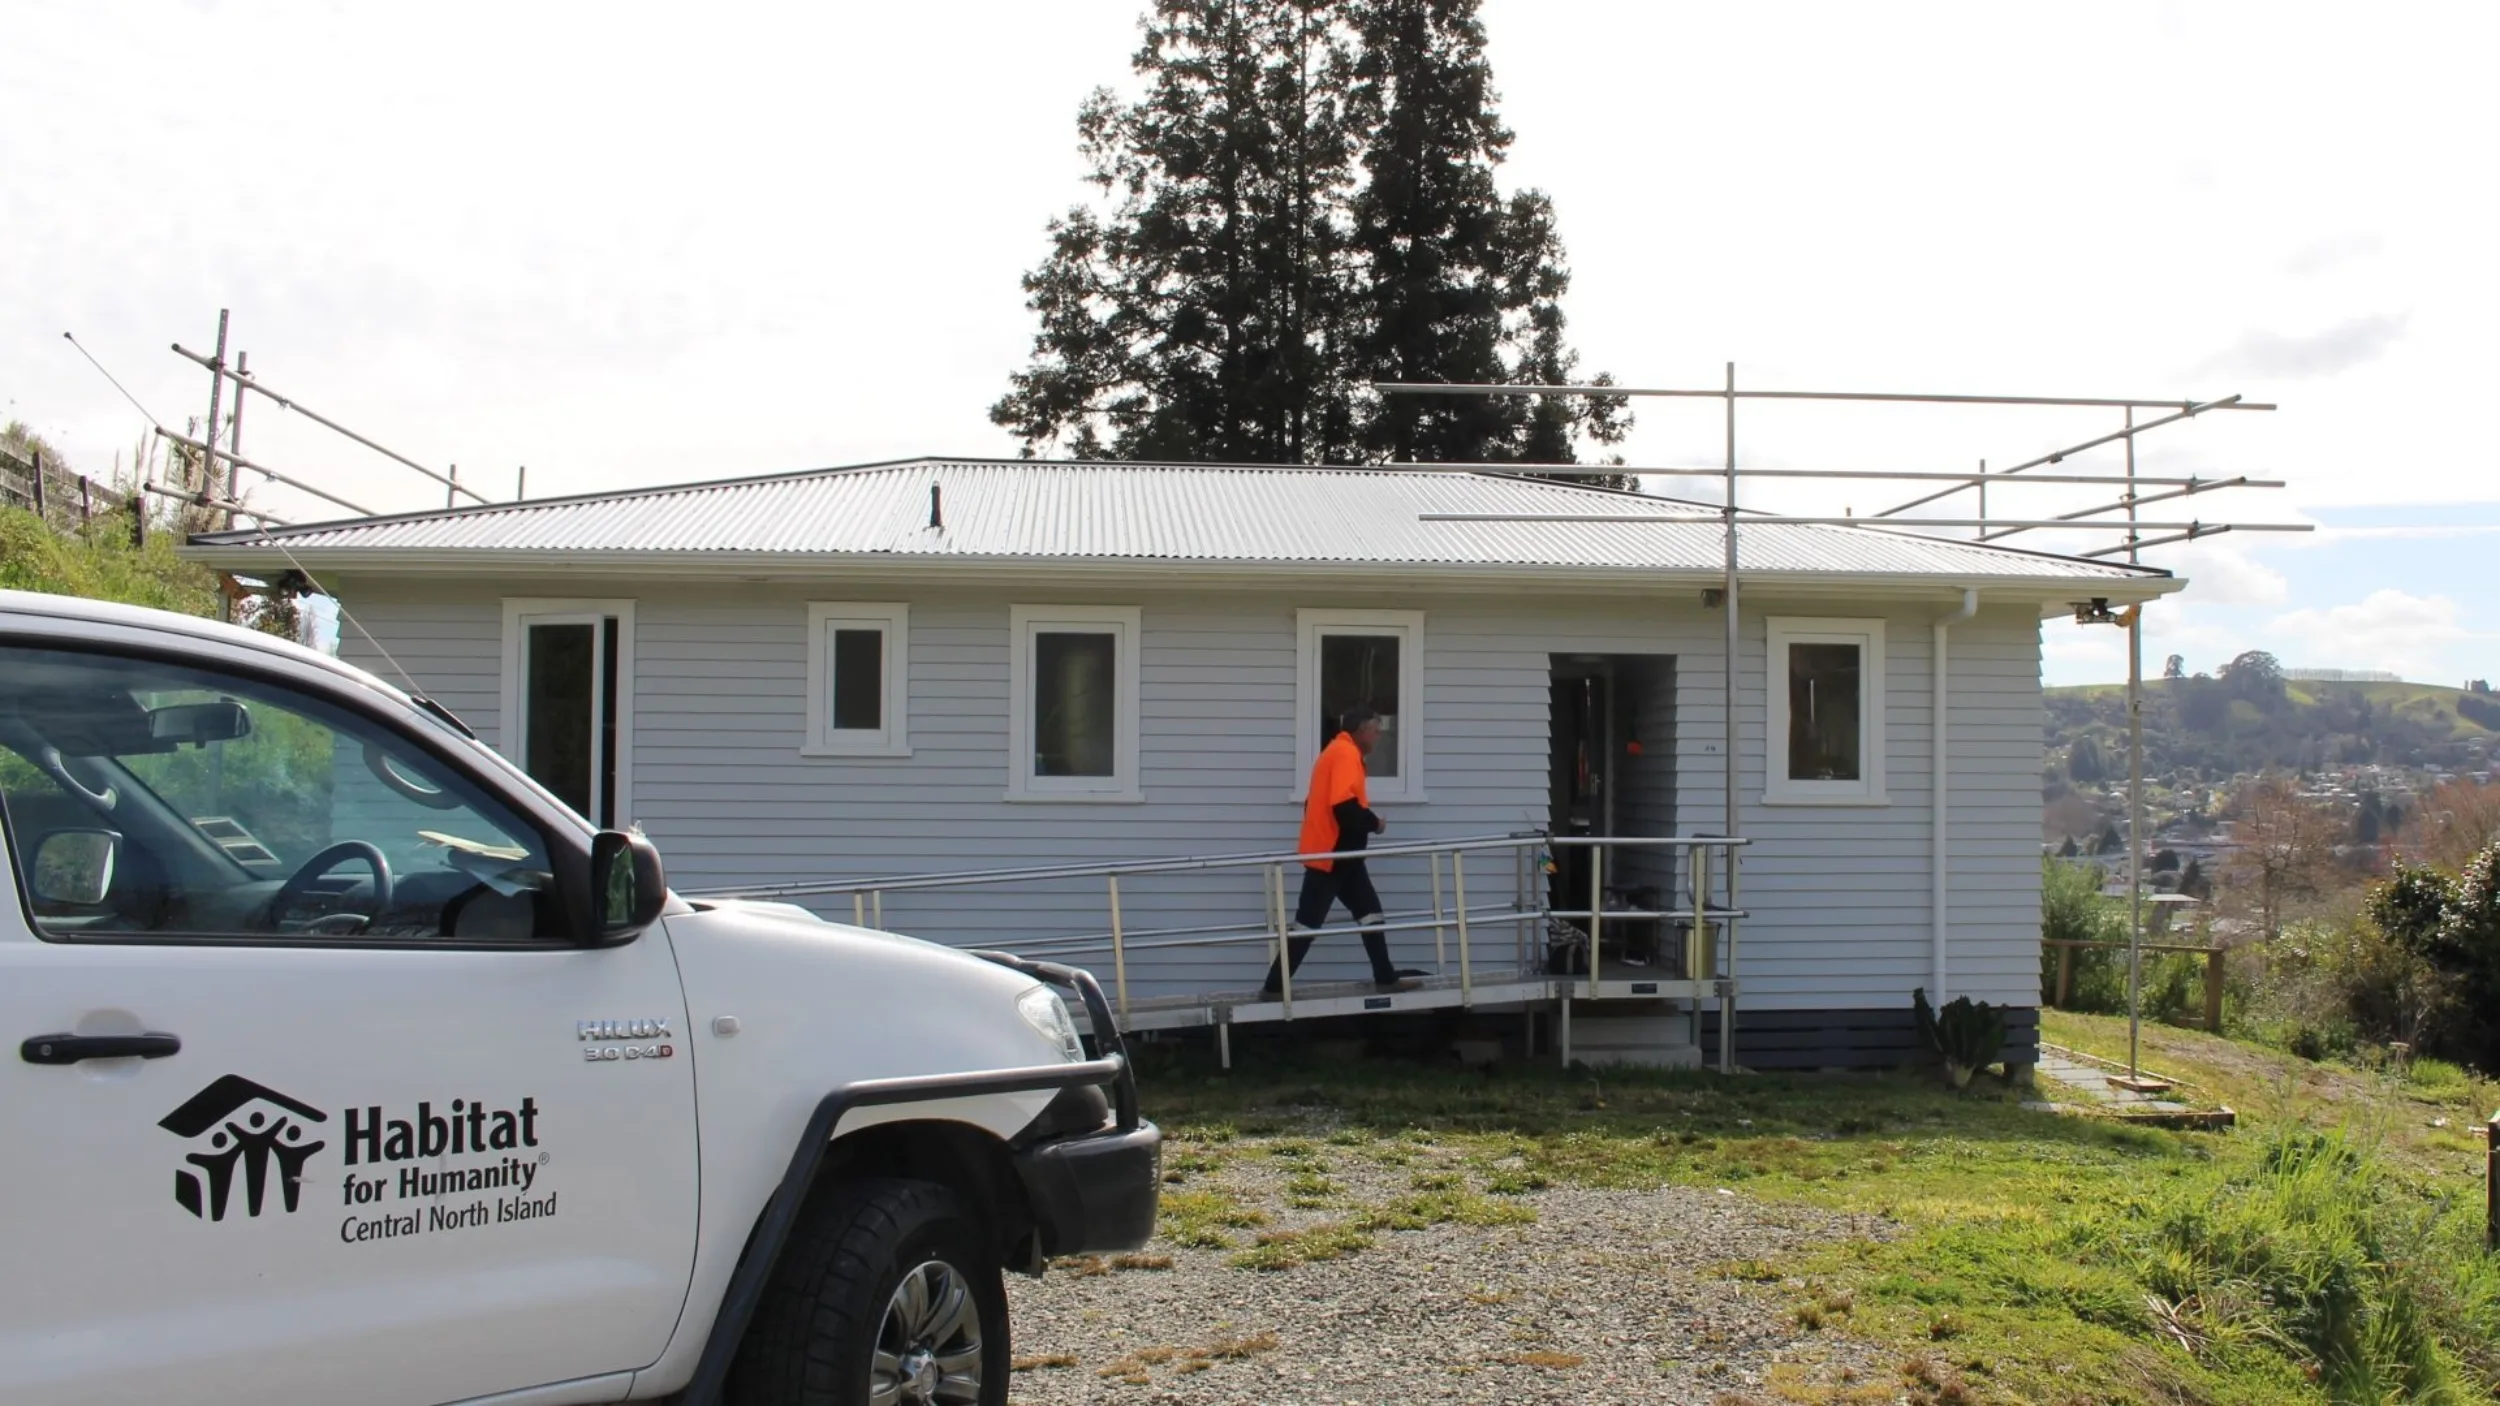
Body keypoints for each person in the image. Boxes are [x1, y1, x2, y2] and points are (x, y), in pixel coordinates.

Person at [1263, 706, 1426, 995]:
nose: (1377, 738)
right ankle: (1273, 988)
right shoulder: (1346, 754)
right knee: (1308, 924)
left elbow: (1319, 803)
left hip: (1339, 856)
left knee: (1370, 913)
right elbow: (1344, 807)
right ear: (1361, 731)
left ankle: (1385, 977)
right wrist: (1375, 824)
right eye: (1375, 731)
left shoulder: (1336, 752)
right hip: (1333, 855)